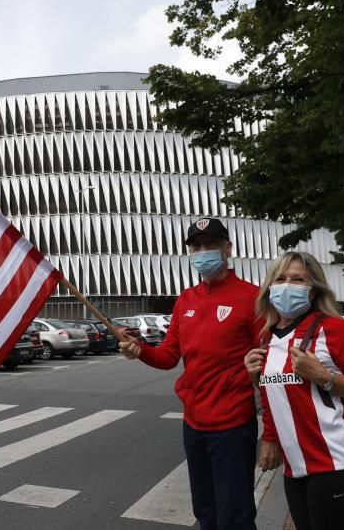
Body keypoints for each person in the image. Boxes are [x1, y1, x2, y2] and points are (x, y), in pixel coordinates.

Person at [120, 217, 261, 530]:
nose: (202, 251)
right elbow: (169, 356)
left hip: (233, 426)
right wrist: (139, 349)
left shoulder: (252, 298)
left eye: (210, 244)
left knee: (235, 516)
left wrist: (274, 435)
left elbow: (266, 367)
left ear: (228, 249)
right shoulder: (186, 299)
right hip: (194, 425)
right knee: (205, 513)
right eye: (196, 246)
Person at [244, 251, 344, 530]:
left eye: (298, 279)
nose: (287, 285)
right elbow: (276, 396)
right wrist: (256, 379)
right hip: (296, 469)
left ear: (313, 290)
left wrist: (325, 377)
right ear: (269, 287)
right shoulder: (266, 336)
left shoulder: (334, 329)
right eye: (281, 278)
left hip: (340, 464)